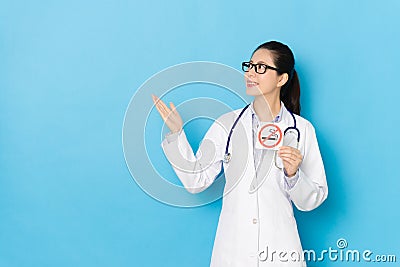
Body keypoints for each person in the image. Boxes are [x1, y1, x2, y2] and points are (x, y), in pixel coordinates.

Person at [151, 41, 328, 267]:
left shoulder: (302, 130)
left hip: (279, 252)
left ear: (281, 79)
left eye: (261, 67)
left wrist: (293, 175)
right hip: (233, 252)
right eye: (250, 65)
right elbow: (196, 180)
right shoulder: (227, 125)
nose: (251, 73)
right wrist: (177, 134)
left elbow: (313, 200)